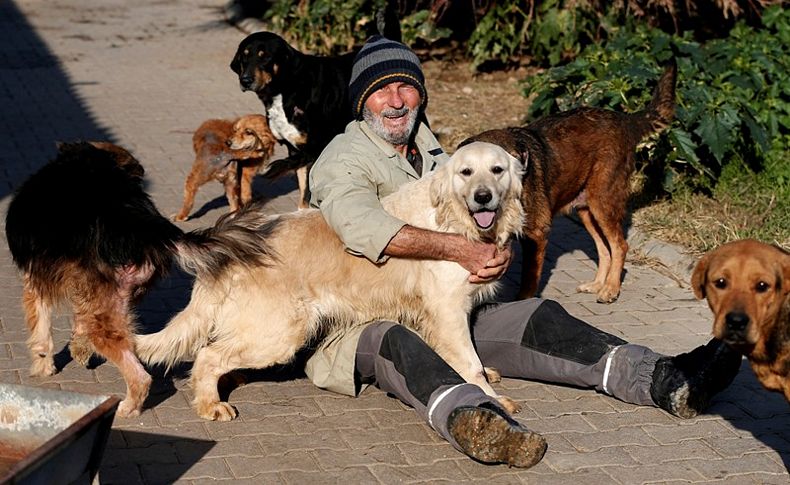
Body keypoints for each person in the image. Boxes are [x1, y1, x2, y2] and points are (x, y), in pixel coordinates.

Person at [304, 35, 741, 468]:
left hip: (443, 307)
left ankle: (661, 377)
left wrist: (496, 254)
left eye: (405, 87)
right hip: (356, 316)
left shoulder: (428, 145)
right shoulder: (343, 158)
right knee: (397, 342)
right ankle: (474, 418)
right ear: (362, 100)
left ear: (420, 93)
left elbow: (481, 215)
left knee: (534, 314)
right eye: (381, 91)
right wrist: (461, 248)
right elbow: (359, 227)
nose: (396, 101)